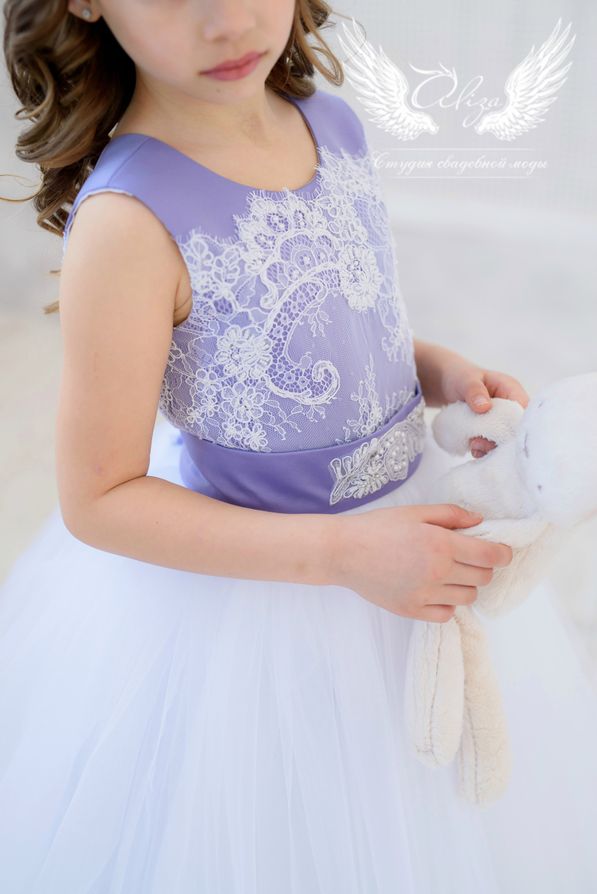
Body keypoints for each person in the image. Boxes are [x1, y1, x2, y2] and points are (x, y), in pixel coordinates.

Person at [1, 1, 596, 891]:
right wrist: (343, 554)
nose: (227, 21)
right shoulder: (127, 221)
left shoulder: (329, 121)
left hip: (407, 525)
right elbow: (100, 499)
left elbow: (334, 315)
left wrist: (436, 370)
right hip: (269, 587)